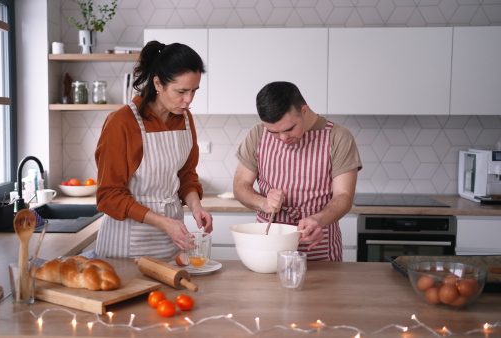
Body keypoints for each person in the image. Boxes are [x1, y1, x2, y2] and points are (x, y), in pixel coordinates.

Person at [94, 40, 213, 259]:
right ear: (158, 84)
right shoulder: (122, 122)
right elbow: (108, 196)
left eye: (194, 91)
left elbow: (186, 176)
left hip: (171, 243)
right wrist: (163, 223)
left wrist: (196, 207)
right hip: (127, 246)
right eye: (181, 91)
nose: (188, 100)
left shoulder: (185, 120)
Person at [233, 81, 362, 261]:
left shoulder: (338, 137)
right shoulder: (257, 134)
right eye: (274, 132)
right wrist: (263, 203)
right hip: (268, 252)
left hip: (319, 253)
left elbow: (344, 196)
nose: (283, 138)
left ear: (304, 111)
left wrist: (319, 219)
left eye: (289, 129)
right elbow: (240, 186)